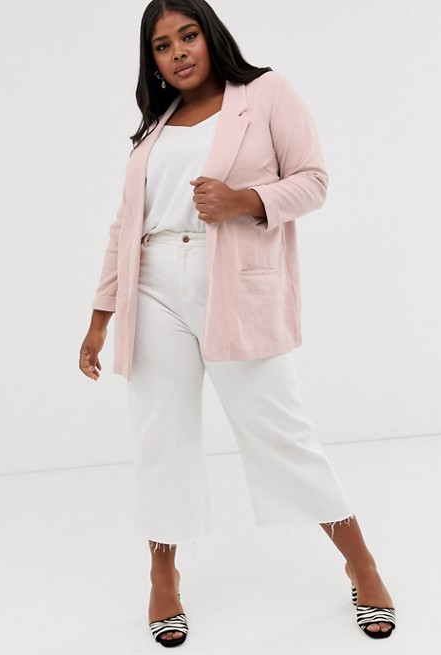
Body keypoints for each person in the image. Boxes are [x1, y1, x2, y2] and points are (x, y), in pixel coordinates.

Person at [79, 0, 395, 647]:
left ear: (210, 35)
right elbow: (124, 225)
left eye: (188, 35)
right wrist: (99, 316)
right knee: (160, 438)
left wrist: (245, 200)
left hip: (233, 286)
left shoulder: (266, 93)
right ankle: (162, 575)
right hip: (153, 288)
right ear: (153, 61)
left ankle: (361, 564)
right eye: (162, 45)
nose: (178, 52)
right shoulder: (155, 127)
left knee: (280, 431)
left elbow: (314, 181)